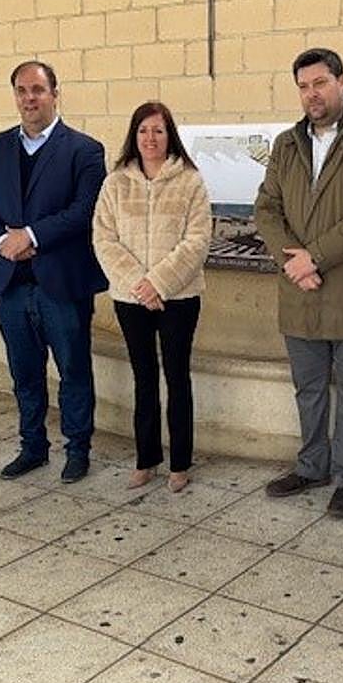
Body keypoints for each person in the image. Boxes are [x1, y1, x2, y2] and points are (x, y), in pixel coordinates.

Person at [254, 48, 343, 519]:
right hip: (301, 287)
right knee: (310, 388)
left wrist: (312, 257)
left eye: (320, 83)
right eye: (303, 86)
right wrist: (295, 261)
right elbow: (267, 209)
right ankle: (312, 466)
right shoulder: (286, 144)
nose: (311, 94)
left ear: (342, 81)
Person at [0, 60, 107, 483]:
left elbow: (85, 209)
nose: (30, 98)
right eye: (22, 91)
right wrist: (0, 241)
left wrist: (30, 235)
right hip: (10, 283)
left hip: (61, 283)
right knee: (24, 374)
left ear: (54, 94)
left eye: (38, 90)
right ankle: (32, 447)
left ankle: (77, 449)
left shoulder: (84, 149)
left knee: (73, 371)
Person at [93, 101, 212, 493]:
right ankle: (146, 460)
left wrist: (158, 284)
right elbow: (104, 239)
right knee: (144, 377)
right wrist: (138, 286)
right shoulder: (116, 183)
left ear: (169, 135)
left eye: (158, 130)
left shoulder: (190, 181)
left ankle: (180, 463)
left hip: (178, 298)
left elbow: (197, 241)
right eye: (143, 130)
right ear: (134, 135)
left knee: (177, 377)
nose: (151, 138)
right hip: (131, 300)